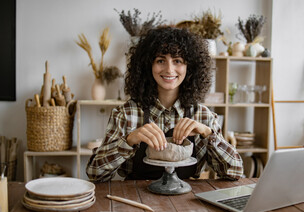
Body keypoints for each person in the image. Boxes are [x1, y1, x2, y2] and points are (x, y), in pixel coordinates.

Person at [86, 27, 243, 182]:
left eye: (177, 61)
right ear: (148, 65)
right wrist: (129, 140)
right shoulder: (126, 114)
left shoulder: (203, 116)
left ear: (190, 67)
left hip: (186, 203)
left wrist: (208, 133)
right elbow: (94, 173)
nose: (169, 69)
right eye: (161, 60)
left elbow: (235, 172)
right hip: (136, 200)